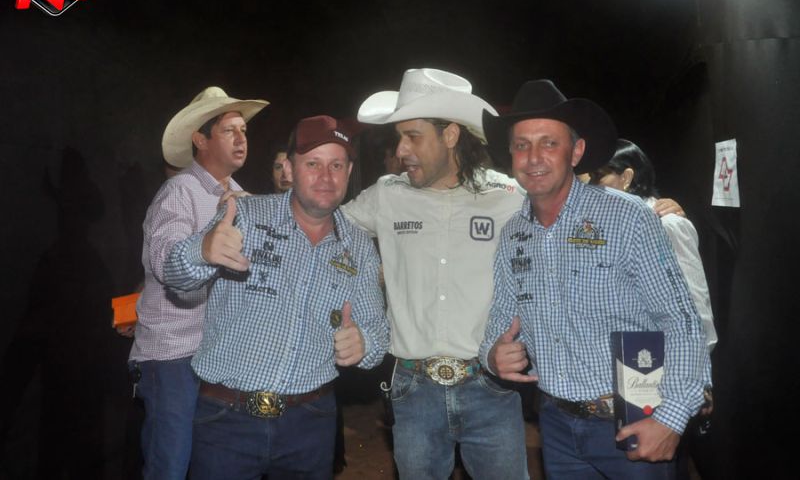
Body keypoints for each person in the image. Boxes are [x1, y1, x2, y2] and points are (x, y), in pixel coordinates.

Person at [480, 79, 712, 479]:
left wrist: (672, 418)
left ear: (576, 152)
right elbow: (501, 318)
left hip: (635, 417)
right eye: (521, 145)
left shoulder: (628, 218)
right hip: (555, 424)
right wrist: (492, 354)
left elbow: (681, 321)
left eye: (549, 143)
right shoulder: (514, 233)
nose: (533, 157)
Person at [163, 115, 389, 479]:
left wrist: (365, 343)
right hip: (226, 420)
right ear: (289, 168)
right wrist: (201, 251)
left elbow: (377, 330)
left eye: (336, 165)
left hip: (310, 423)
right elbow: (175, 279)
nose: (326, 177)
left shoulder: (359, 247)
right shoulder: (245, 216)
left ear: (349, 172)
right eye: (312, 164)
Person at [341, 68, 530, 479]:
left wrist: (654, 208)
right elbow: (320, 228)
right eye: (399, 138)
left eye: (413, 136)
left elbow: (566, 221)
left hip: (490, 385)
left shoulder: (508, 197)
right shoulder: (386, 196)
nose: (401, 150)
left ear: (451, 135)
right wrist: (259, 209)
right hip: (413, 388)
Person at [128, 86, 268, 480]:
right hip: (173, 356)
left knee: (219, 464)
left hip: (219, 355)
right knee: (171, 466)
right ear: (200, 139)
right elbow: (165, 262)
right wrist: (209, 238)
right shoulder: (179, 193)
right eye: (229, 130)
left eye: (244, 130)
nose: (241, 138)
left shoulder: (243, 197)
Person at [588, 139, 718, 350]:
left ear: (626, 177)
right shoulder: (605, 227)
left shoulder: (667, 224)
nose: (591, 186)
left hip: (660, 357)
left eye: (599, 176)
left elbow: (696, 305)